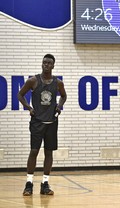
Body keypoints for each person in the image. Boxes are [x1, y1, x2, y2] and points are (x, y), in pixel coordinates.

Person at [18, 54, 67, 196]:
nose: (46, 65)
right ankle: (29, 183)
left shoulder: (58, 83)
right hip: (37, 122)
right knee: (34, 151)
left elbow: (64, 96)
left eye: (49, 63)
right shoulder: (33, 80)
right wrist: (28, 107)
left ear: (53, 65)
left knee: (49, 152)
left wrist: (59, 106)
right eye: (44, 62)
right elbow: (20, 95)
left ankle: (45, 183)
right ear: (42, 64)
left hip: (51, 122)